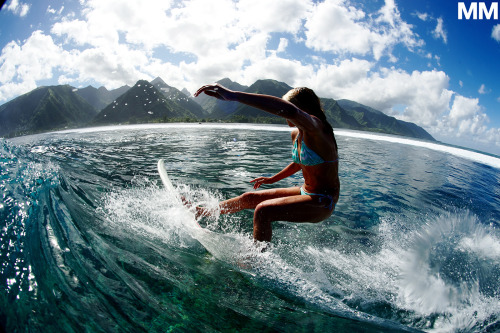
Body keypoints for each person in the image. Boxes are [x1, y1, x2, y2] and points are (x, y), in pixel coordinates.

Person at [194, 84, 340, 243]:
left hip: (323, 201)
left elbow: (292, 111)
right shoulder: (297, 133)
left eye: (287, 110)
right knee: (248, 198)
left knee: (263, 211)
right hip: (305, 191)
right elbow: (299, 163)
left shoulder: (317, 128)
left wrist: (233, 96)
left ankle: (257, 259)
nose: (285, 117)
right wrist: (272, 179)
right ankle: (204, 212)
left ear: (302, 109)